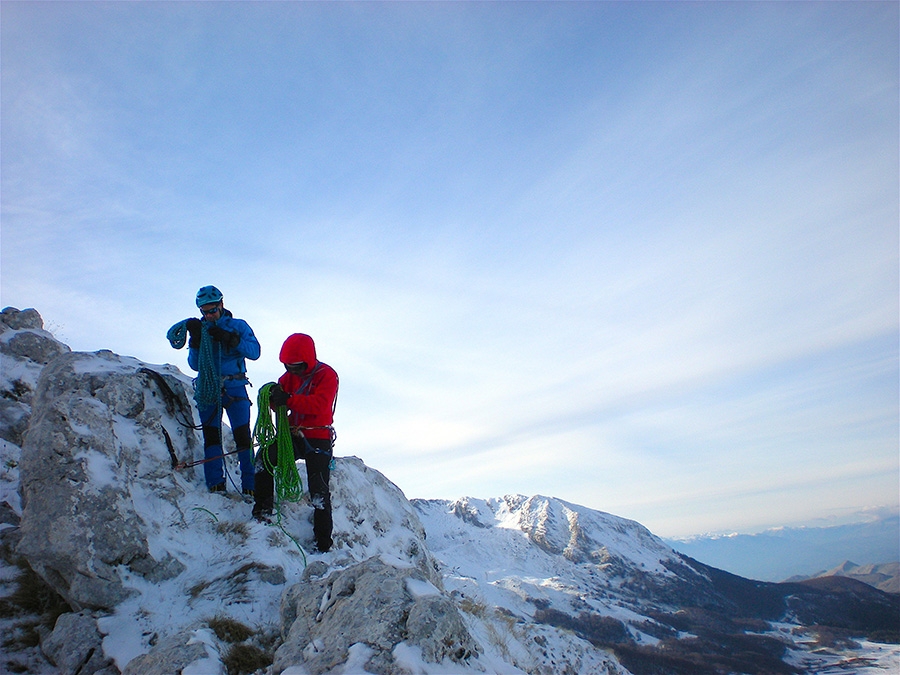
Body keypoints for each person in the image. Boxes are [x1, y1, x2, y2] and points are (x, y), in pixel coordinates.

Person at [253, 333, 338, 553]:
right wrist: (273, 398)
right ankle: (263, 511)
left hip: (318, 436)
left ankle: (323, 544)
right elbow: (278, 405)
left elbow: (320, 405)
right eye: (289, 367)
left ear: (308, 360)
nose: (293, 372)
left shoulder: (327, 375)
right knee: (264, 459)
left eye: (297, 367)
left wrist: (289, 400)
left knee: (319, 491)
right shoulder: (287, 378)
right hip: (293, 434)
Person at [185, 285, 261, 494]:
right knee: (211, 436)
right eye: (205, 312)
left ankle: (250, 486)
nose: (209, 315)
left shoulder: (238, 326)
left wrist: (232, 339)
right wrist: (196, 342)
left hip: (235, 387)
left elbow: (254, 351)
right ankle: (215, 484)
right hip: (210, 388)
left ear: (221, 305)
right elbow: (194, 364)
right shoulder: (201, 330)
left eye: (212, 310)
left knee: (243, 437)